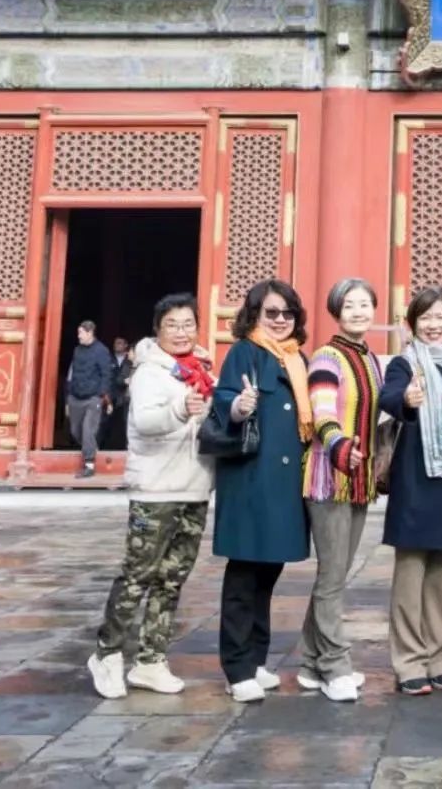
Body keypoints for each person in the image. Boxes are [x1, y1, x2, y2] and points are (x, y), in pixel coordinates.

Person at [87, 295, 214, 698]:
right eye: (172, 324)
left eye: (188, 324)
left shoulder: (201, 370)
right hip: (155, 491)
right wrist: (180, 408)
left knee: (172, 579)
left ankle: (151, 660)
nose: (181, 332)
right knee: (137, 574)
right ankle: (107, 653)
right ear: (158, 329)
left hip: (194, 486)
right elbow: (143, 421)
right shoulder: (149, 372)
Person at [209, 279, 313, 703]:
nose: (280, 320)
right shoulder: (245, 351)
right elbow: (225, 398)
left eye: (288, 313)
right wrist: (239, 406)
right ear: (254, 314)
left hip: (285, 482)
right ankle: (236, 668)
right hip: (252, 479)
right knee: (244, 574)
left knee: (268, 573)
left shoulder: (297, 357)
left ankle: (255, 659)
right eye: (271, 312)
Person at [380, 286, 442, 696]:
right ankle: (408, 661)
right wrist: (406, 398)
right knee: (410, 571)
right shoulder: (406, 363)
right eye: (425, 318)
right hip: (415, 476)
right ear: (412, 323)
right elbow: (388, 396)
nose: (433, 325)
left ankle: (438, 658)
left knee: (440, 573)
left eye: (441, 317)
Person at [297, 278, 384, 703]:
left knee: (335, 575)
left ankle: (310, 661)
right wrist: (339, 446)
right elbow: (323, 412)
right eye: (349, 305)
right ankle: (335, 665)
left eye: (365, 304)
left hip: (359, 479)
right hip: (329, 477)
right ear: (336, 312)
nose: (358, 312)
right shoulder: (327, 358)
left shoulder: (370, 359)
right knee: (332, 577)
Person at [67, 320, 114, 477]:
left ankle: (89, 464)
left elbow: (106, 374)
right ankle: (91, 448)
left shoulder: (102, 351)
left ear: (89, 333)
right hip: (76, 396)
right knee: (75, 431)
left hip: (93, 398)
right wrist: (69, 393)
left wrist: (101, 394)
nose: (78, 336)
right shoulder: (77, 350)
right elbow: (72, 372)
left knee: (88, 430)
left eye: (81, 333)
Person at [101, 337, 134, 451]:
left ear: (126, 345)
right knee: (105, 424)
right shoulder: (108, 359)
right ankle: (103, 448)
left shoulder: (130, 360)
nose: (117, 345)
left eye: (120, 343)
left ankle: (124, 448)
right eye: (115, 343)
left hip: (125, 398)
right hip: (109, 396)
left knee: (125, 424)